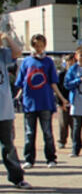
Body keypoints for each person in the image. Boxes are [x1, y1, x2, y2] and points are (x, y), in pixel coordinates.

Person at [16, 34, 68, 169]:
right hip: (29, 102)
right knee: (29, 133)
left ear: (44, 45)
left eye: (40, 45)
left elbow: (53, 83)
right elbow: (22, 82)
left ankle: (51, 158)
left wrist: (61, 98)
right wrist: (18, 96)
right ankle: (29, 159)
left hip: (45, 102)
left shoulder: (48, 62)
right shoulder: (26, 61)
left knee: (47, 132)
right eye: (35, 45)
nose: (38, 48)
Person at [0, 31, 31, 188]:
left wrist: (6, 37)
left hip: (3, 110)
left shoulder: (2, 54)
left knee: (8, 146)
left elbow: (17, 52)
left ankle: (17, 178)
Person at [56, 53, 75, 149]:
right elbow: (58, 89)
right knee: (63, 123)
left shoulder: (76, 73)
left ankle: (76, 140)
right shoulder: (61, 75)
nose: (70, 63)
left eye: (72, 61)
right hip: (63, 101)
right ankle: (62, 140)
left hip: (75, 102)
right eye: (68, 61)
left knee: (74, 123)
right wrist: (60, 102)